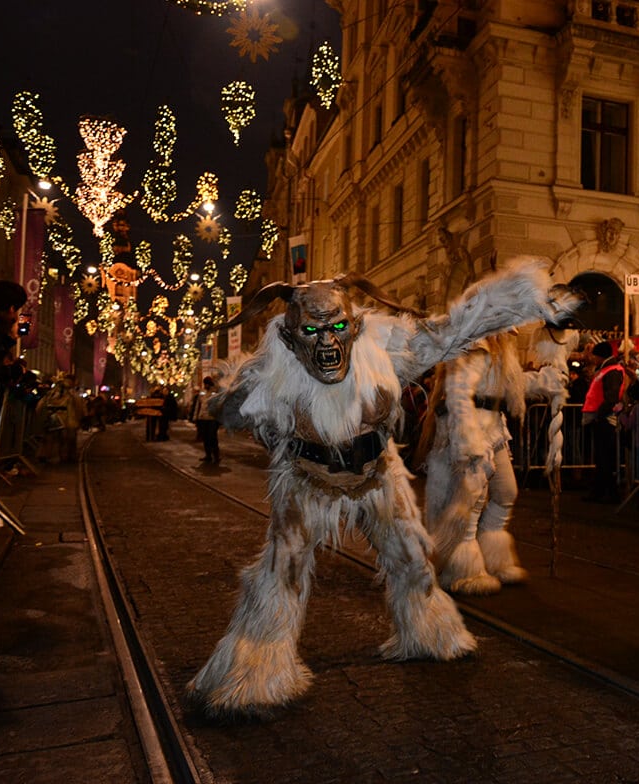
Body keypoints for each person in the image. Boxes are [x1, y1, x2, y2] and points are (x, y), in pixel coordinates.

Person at [185, 258, 581, 718]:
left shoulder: (388, 349)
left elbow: (453, 328)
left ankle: (429, 632)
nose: (328, 343)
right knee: (282, 574)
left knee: (412, 561)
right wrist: (231, 394)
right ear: (292, 340)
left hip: (376, 475)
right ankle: (254, 670)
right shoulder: (274, 373)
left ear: (354, 327)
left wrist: (530, 301)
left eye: (336, 328)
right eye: (313, 334)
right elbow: (232, 410)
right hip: (306, 482)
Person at [421, 327, 574, 595]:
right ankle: (465, 571)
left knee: (506, 492)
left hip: (493, 429)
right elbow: (459, 394)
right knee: (472, 500)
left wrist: (548, 381)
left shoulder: (501, 351)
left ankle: (495, 560)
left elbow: (512, 386)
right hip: (470, 430)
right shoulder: (472, 346)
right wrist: (467, 438)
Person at [581, 340, 626, 503]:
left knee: (605, 456)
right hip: (601, 417)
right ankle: (601, 491)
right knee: (602, 457)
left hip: (604, 418)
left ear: (600, 356)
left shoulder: (611, 370)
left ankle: (609, 493)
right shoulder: (607, 369)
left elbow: (611, 397)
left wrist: (600, 414)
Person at [191, 377, 222, 464]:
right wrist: (195, 417)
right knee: (205, 437)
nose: (206, 385)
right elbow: (198, 405)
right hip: (203, 418)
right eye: (205, 384)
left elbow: (219, 406)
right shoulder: (202, 392)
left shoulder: (215, 392)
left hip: (212, 419)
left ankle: (216, 456)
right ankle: (208, 455)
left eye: (207, 383)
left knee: (212, 437)